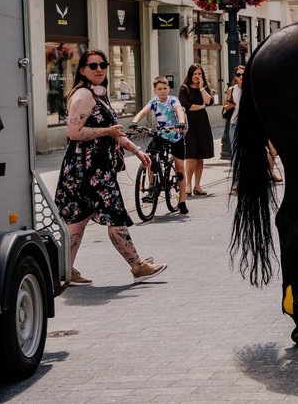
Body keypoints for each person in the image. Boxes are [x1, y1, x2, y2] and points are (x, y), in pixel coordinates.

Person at [54, 49, 167, 285]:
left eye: (103, 65)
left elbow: (115, 132)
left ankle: (63, 270)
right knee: (114, 215)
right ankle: (137, 266)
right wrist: (106, 131)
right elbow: (73, 132)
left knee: (79, 219)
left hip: (92, 168)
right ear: (82, 70)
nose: (99, 69)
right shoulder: (84, 95)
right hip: (88, 169)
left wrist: (136, 151)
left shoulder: (98, 95)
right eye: (93, 66)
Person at [130, 76, 190, 215]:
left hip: (175, 136)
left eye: (165, 88)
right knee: (150, 159)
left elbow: (179, 110)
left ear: (168, 88)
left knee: (180, 168)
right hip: (160, 135)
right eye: (159, 89)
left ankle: (182, 201)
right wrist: (134, 122)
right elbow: (144, 111)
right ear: (155, 91)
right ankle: (152, 188)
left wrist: (181, 122)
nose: (163, 91)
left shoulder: (173, 100)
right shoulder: (154, 102)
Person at [179, 63, 214, 195]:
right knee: (191, 155)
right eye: (194, 74)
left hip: (202, 124)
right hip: (189, 125)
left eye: (199, 74)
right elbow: (185, 105)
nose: (197, 76)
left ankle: (197, 186)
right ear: (190, 75)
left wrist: (202, 88)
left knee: (200, 156)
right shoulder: (185, 88)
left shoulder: (203, 87)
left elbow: (209, 101)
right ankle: (188, 185)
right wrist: (200, 107)